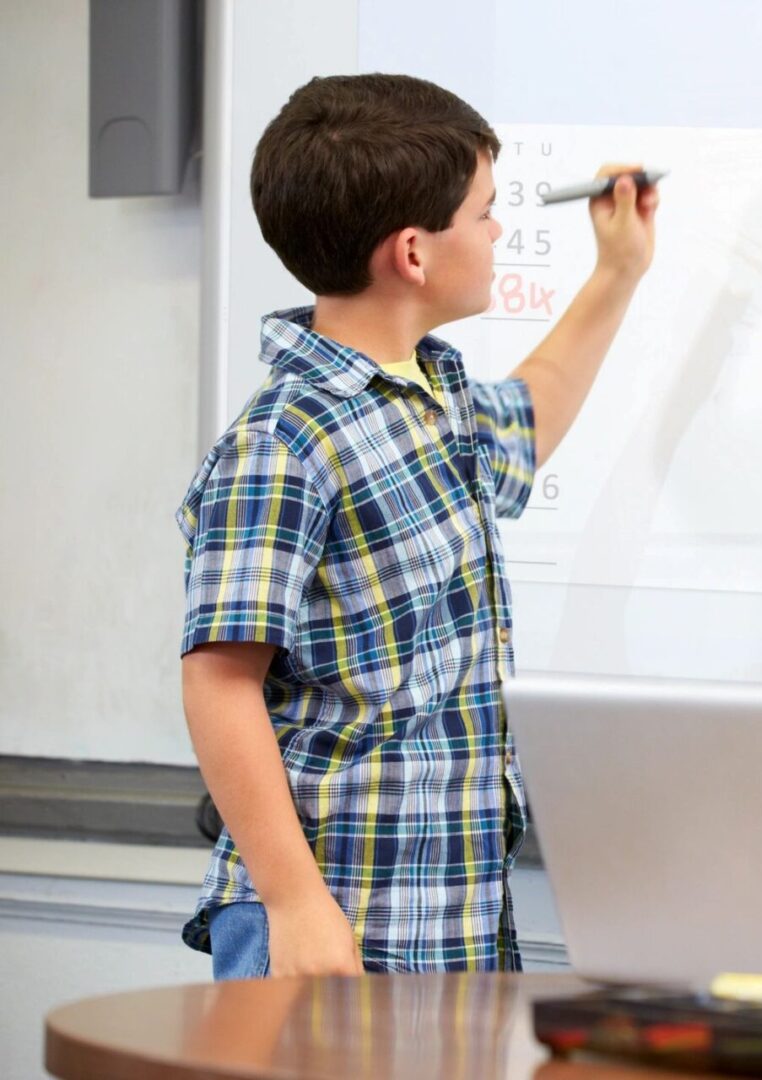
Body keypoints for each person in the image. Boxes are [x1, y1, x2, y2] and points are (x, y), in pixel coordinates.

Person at [176, 74, 657, 977]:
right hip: (331, 920)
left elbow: (533, 414)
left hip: (447, 916)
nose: (497, 231)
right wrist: (293, 902)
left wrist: (617, 271)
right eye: (485, 212)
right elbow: (219, 681)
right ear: (412, 254)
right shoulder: (284, 441)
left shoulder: (433, 396)